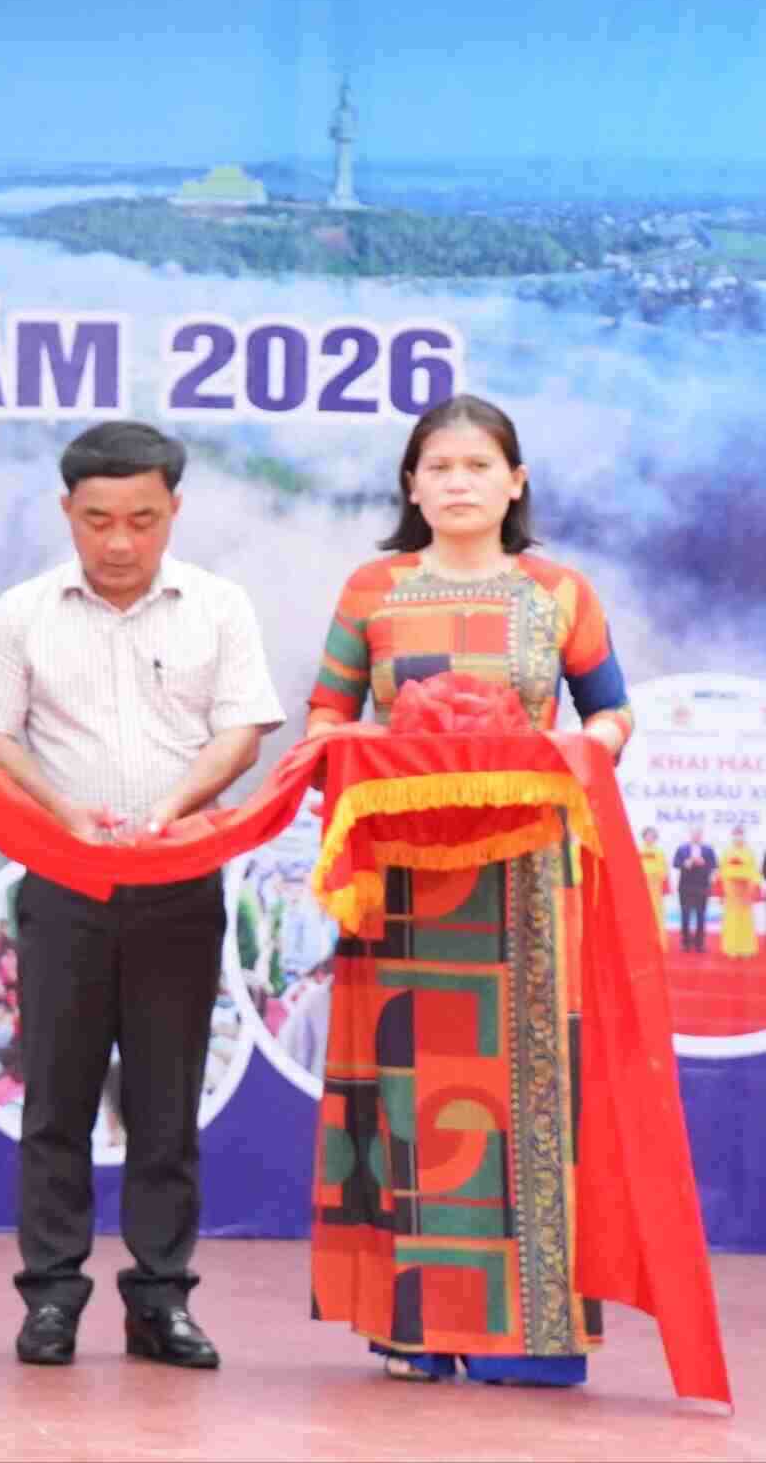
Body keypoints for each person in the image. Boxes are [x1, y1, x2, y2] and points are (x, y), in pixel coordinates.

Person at [302, 395, 633, 1386]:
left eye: (478, 467)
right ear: (412, 485)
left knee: (532, 1093)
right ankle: (414, 1324)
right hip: (402, 883)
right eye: (437, 466)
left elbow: (612, 716)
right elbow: (326, 717)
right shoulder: (373, 591)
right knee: (407, 1094)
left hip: (528, 883)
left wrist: (568, 754)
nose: (457, 482)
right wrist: (368, 742)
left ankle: (532, 1333)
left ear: (515, 482)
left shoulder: (558, 594)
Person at [0, 419, 284, 1370]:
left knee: (164, 1099)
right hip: (62, 879)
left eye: (141, 519)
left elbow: (242, 732)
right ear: (67, 512)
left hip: (179, 876)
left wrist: (176, 809)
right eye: (96, 520)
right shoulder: (23, 612)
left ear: (172, 510)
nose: (118, 542)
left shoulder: (217, 608)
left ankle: (160, 1301)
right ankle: (50, 1298)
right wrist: (61, 809)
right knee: (53, 1096)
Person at [674, 826, 717, 953]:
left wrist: (703, 863)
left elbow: (714, 865)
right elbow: (675, 863)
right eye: (694, 834)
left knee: (701, 916)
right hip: (685, 887)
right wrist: (685, 863)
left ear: (702, 835)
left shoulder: (708, 849)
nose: (696, 836)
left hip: (702, 887)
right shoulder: (682, 848)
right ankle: (685, 943)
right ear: (690, 835)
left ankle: (700, 944)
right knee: (685, 916)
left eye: (698, 834)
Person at [721, 827, 759, 960]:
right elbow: (722, 870)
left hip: (745, 893)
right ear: (732, 836)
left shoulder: (749, 852)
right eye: (736, 835)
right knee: (732, 920)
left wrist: (750, 883)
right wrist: (731, 878)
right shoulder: (727, 852)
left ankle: (746, 949)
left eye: (740, 835)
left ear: (744, 836)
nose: (738, 837)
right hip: (732, 892)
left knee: (745, 920)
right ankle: (731, 948)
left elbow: (754, 871)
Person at [637, 828, 670, 944]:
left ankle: (657, 940)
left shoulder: (660, 852)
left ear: (655, 837)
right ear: (643, 836)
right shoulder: (638, 850)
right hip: (640, 888)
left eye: (652, 836)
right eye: (647, 835)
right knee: (641, 912)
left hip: (655, 888)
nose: (649, 838)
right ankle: (641, 939)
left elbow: (664, 870)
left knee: (656, 912)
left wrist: (654, 875)